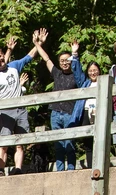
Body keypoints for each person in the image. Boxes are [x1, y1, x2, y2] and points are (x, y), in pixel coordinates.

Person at [0, 34, 41, 174]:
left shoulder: (14, 66)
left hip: (20, 109)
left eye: (0, 56)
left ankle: (17, 168)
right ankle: (0, 170)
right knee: (3, 144)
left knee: (19, 143)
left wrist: (38, 44)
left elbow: (29, 56)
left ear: (4, 55)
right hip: (5, 112)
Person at [33, 32, 84, 171]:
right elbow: (46, 59)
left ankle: (71, 169)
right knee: (58, 144)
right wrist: (37, 44)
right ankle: (60, 171)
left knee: (69, 143)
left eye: (67, 60)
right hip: (55, 113)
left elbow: (80, 73)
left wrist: (75, 54)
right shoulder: (57, 73)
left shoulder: (76, 76)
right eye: (62, 61)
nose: (64, 63)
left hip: (69, 113)